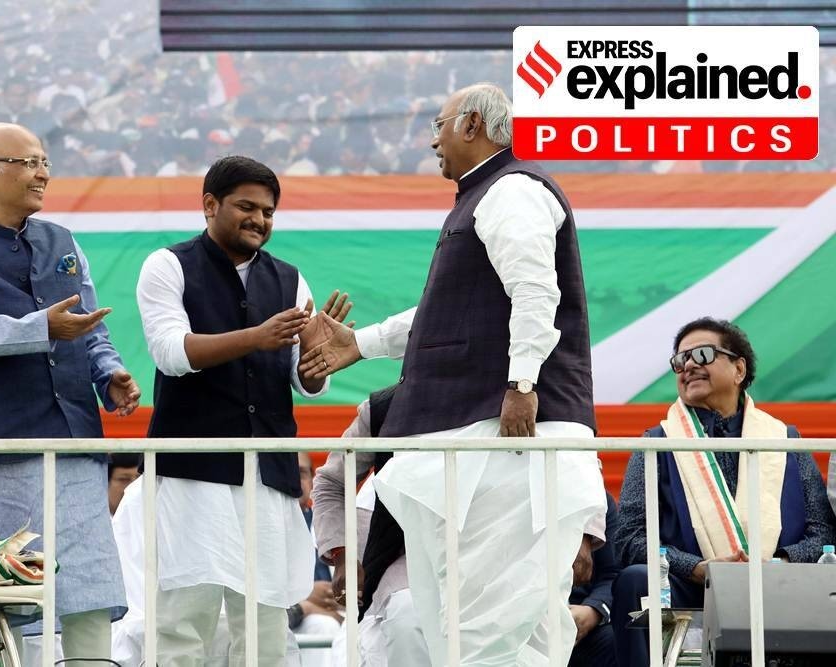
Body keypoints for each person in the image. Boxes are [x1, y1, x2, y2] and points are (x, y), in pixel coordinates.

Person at [298, 83, 606, 665]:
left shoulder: (512, 189)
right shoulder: (482, 197)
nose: (433, 140)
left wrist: (522, 385)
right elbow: (448, 317)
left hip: (505, 440)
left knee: (492, 619)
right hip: (482, 442)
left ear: (471, 125)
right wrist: (359, 344)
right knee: (472, 619)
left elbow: (535, 291)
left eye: (438, 126)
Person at [0, 122, 140, 664]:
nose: (43, 173)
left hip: (73, 445)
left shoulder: (63, 241)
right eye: (30, 162)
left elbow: (92, 328)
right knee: (3, 594)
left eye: (45, 163)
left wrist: (108, 373)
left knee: (88, 587)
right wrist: (39, 328)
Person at [134, 155, 349, 666]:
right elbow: (170, 352)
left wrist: (317, 361)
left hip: (268, 476)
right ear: (210, 205)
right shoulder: (168, 265)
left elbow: (303, 379)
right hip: (194, 472)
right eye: (246, 207)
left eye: (268, 212)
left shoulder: (290, 280)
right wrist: (257, 337)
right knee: (184, 623)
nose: (259, 220)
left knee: (265, 629)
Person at [610, 317, 836, 667]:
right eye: (679, 360)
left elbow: (822, 533)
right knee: (635, 580)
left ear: (738, 369)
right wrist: (697, 568)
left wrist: (779, 565)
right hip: (691, 586)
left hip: (780, 583)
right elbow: (628, 539)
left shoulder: (783, 439)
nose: (688, 366)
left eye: (701, 354)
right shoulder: (657, 444)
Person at [311, 385, 431, 667]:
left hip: (499, 549)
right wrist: (342, 555)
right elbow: (330, 483)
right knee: (407, 614)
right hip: (408, 555)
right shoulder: (384, 408)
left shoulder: (515, 399)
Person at [287, 453, 342, 640]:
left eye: (301, 473)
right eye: (289, 472)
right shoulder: (259, 525)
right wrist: (306, 595)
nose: (295, 480)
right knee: (323, 626)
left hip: (332, 613)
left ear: (312, 481)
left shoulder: (332, 522)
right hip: (288, 615)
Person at [568, 494, 619, 667]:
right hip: (524, 624)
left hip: (581, 621)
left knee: (619, 642)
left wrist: (592, 611)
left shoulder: (599, 500)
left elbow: (612, 574)